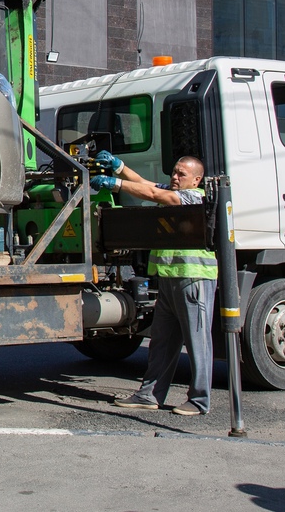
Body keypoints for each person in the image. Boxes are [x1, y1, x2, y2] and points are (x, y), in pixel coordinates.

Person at [91, 152, 216, 416]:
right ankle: (149, 395)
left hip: (193, 279)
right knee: (162, 340)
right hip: (170, 278)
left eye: (181, 174)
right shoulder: (174, 191)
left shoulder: (196, 197)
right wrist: (120, 167)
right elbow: (147, 186)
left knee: (197, 341)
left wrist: (114, 184)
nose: (174, 177)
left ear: (196, 180)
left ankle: (199, 400)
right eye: (174, 171)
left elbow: (160, 196)